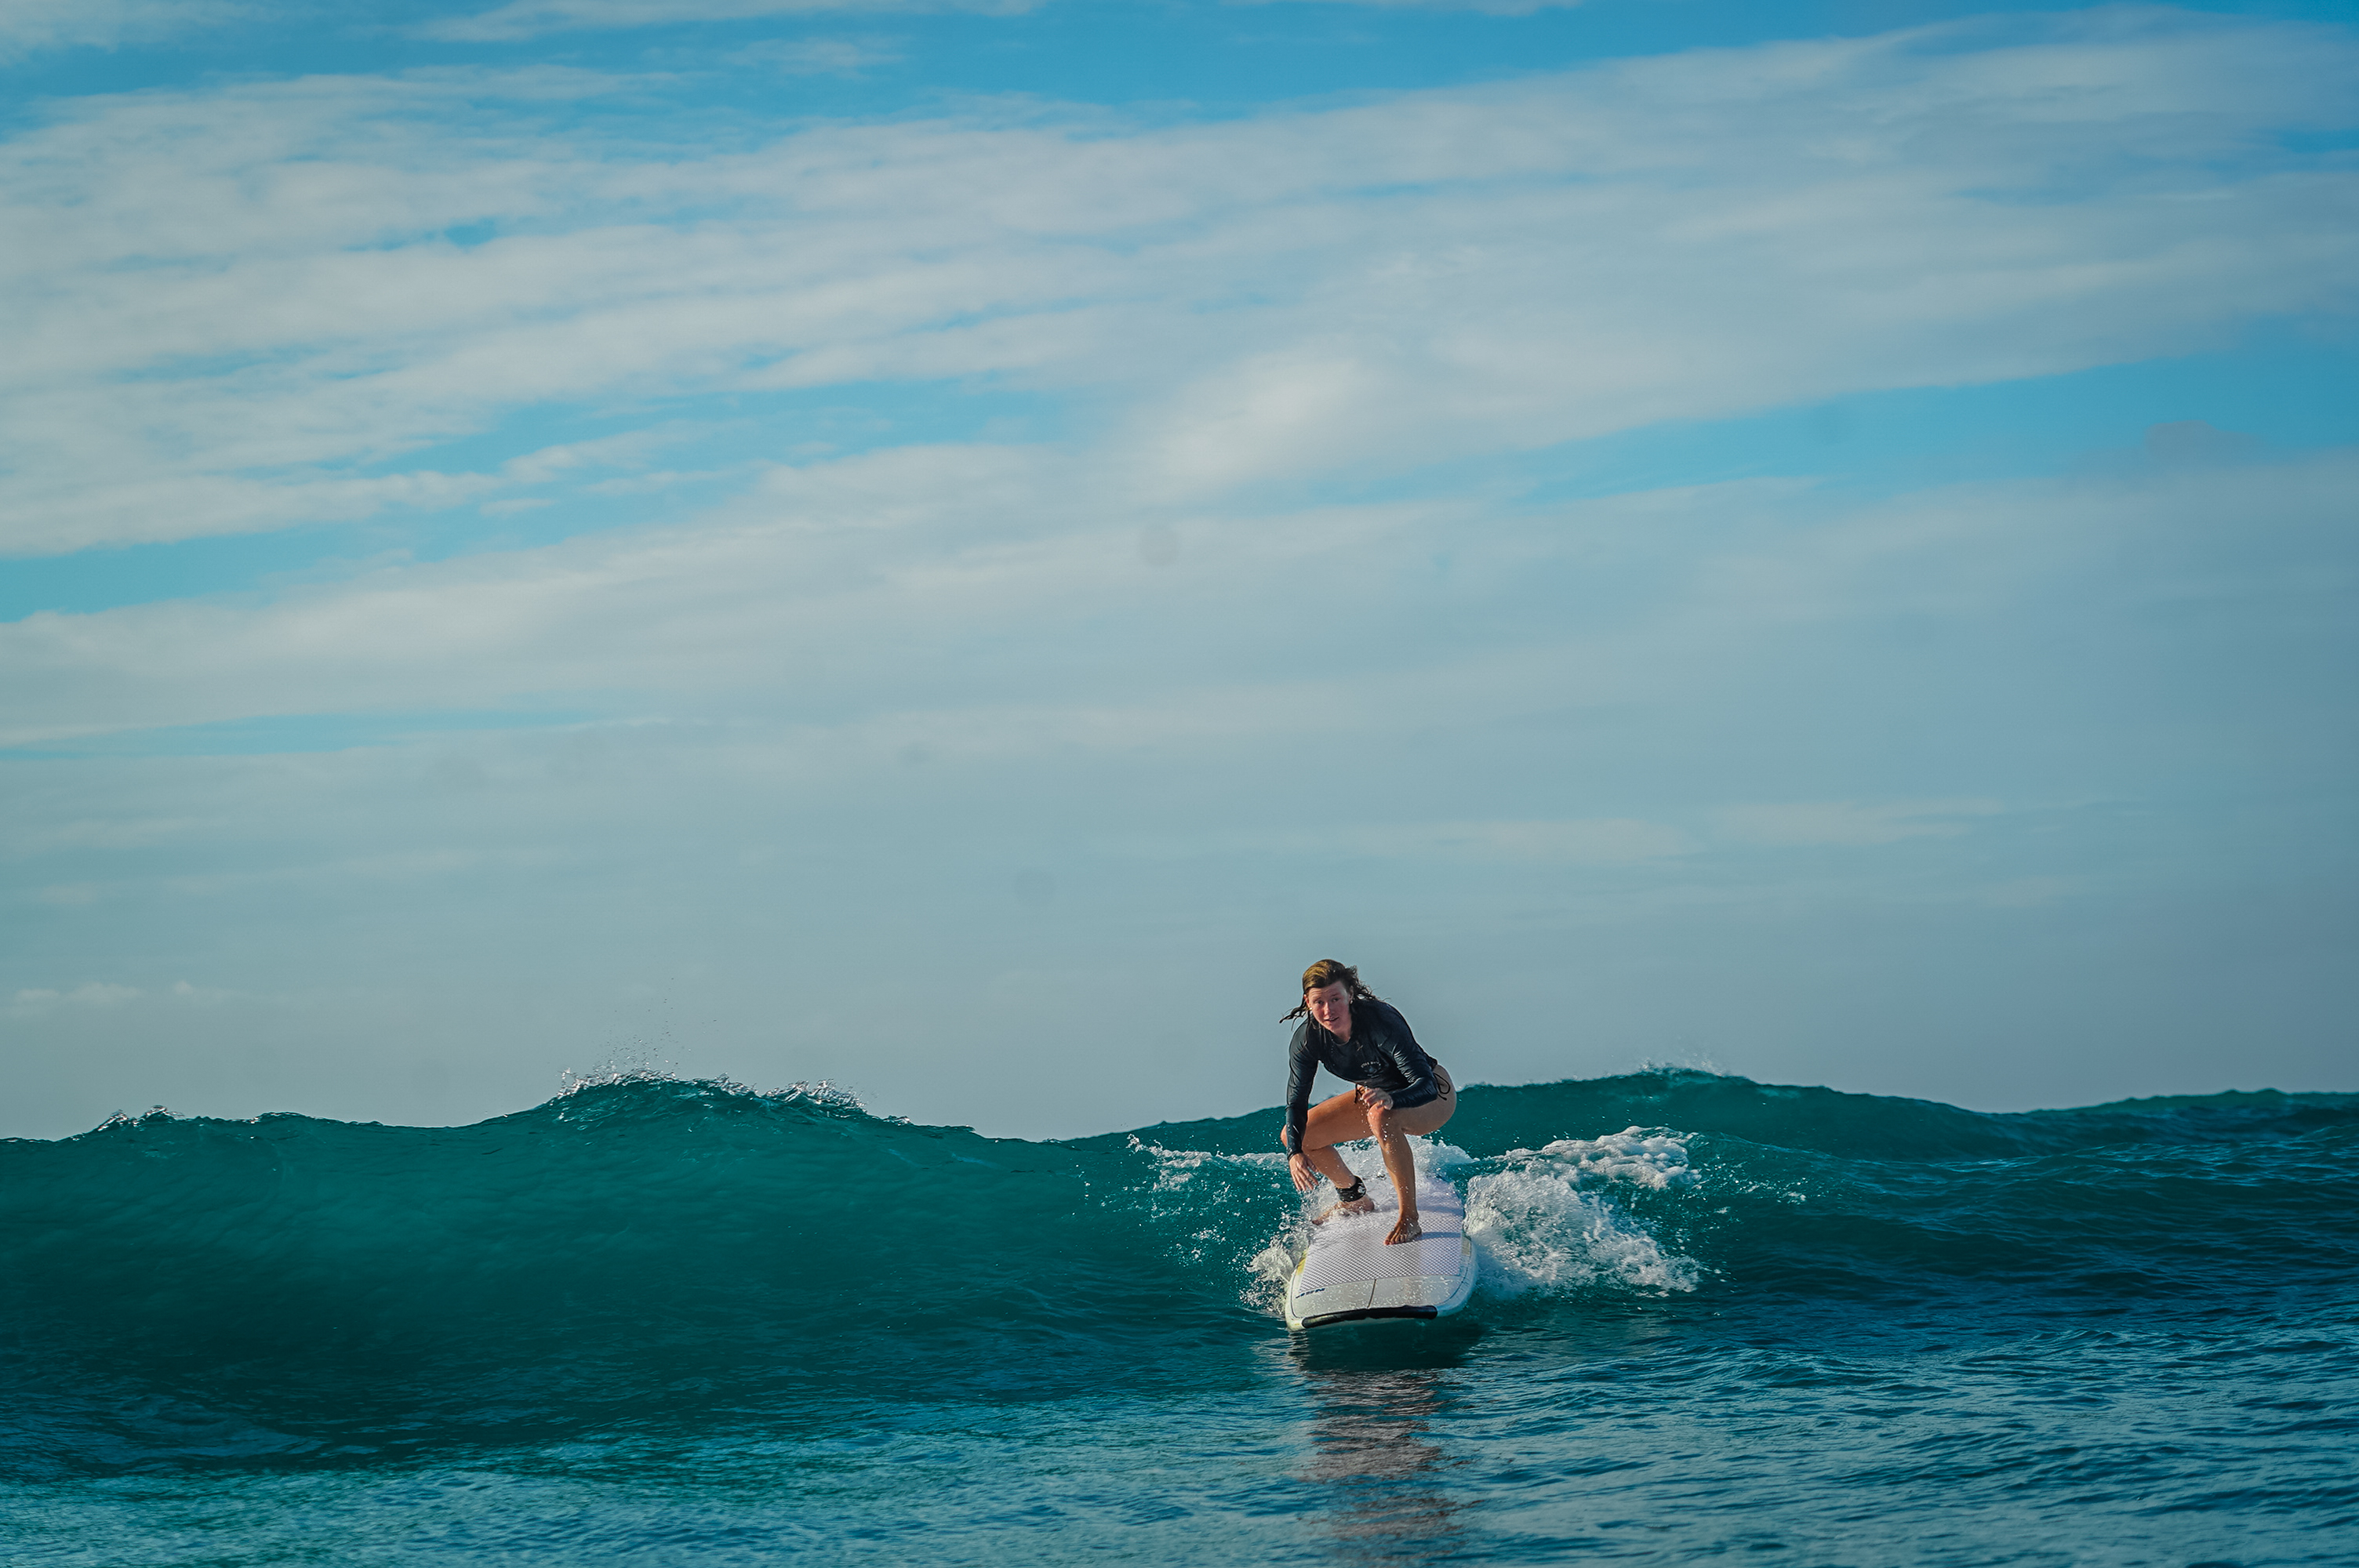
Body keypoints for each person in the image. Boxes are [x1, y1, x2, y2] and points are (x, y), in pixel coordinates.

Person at [1279, 960, 1456, 1246]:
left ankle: (1409, 1218)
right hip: (1376, 1097)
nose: (1328, 1010)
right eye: (1319, 1002)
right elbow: (1297, 1101)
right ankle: (1354, 1199)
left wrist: (1392, 1098)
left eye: (1335, 999)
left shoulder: (1380, 1021)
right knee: (1296, 1135)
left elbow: (1424, 1084)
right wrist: (1294, 1153)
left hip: (1433, 1096)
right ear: (1307, 1002)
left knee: (1381, 1115)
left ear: (1350, 994)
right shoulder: (1308, 1039)